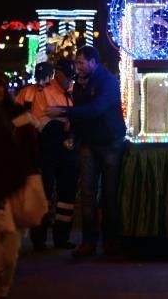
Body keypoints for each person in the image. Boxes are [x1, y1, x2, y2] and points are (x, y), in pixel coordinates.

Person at [46, 46, 126, 258]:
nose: (78, 67)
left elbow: (95, 109)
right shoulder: (81, 83)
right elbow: (82, 113)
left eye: (81, 62)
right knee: (88, 193)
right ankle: (89, 242)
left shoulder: (107, 81)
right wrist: (73, 130)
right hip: (89, 143)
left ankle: (111, 242)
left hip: (110, 142)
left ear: (93, 62)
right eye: (77, 63)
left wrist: (63, 112)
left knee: (109, 195)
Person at [0, 70, 39, 299]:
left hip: (14, 194)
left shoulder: (18, 116)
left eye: (0, 86)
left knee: (9, 255)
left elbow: (31, 152)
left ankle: (2, 287)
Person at [16, 58, 79, 250]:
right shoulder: (40, 92)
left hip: (68, 147)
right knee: (44, 192)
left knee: (66, 194)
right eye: (65, 77)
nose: (68, 81)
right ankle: (39, 238)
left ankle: (62, 236)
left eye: (71, 78)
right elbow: (35, 119)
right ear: (57, 73)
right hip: (48, 147)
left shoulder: (73, 91)